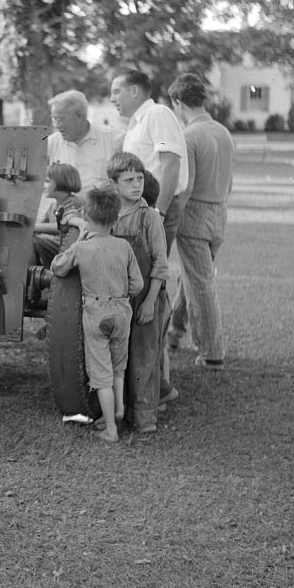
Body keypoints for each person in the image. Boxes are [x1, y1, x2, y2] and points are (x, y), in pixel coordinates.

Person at [52, 185, 144, 443]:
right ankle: (119, 411)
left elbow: (57, 267)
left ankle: (111, 431)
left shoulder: (82, 249)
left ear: (87, 218)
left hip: (96, 314)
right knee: (117, 369)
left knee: (100, 375)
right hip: (122, 312)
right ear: (115, 220)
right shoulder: (124, 247)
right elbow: (137, 285)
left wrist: (80, 239)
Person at [167, 72, 235, 370]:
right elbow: (230, 181)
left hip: (195, 213)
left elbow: (188, 184)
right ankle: (174, 333)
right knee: (194, 277)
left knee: (200, 284)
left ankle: (212, 352)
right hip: (219, 210)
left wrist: (171, 216)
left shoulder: (189, 135)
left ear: (178, 102)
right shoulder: (223, 132)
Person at [108, 152, 171, 434]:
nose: (136, 185)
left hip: (146, 296)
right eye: (129, 180)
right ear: (114, 185)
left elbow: (160, 264)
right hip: (116, 297)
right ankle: (116, 410)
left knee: (144, 354)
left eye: (140, 178)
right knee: (116, 354)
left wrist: (148, 302)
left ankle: (145, 416)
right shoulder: (108, 217)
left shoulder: (150, 218)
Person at [109, 70, 188, 254]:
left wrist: (158, 214)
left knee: (150, 272)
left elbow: (170, 163)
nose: (112, 99)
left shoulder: (156, 115)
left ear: (134, 91)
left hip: (155, 207)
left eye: (116, 92)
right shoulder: (137, 122)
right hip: (138, 207)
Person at [46, 90, 125, 193]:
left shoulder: (115, 140)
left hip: (103, 207)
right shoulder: (50, 144)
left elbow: (128, 182)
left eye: (60, 120)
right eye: (54, 120)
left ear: (79, 116)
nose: (56, 125)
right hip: (65, 208)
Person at [32, 162, 84, 266]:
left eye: (48, 181)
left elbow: (60, 227)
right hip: (56, 243)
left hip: (67, 244)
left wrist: (33, 227)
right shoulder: (53, 206)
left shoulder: (72, 202)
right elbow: (43, 225)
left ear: (61, 183)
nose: (44, 185)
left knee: (34, 239)